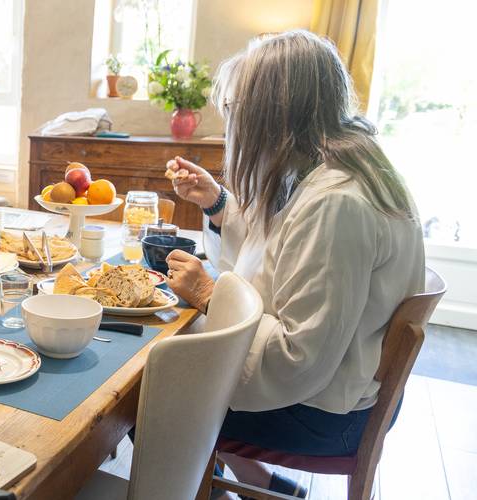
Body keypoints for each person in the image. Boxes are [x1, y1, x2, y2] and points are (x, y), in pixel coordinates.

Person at [164, 30, 424, 496]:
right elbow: (287, 246)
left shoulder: (339, 202)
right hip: (343, 387)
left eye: (237, 112)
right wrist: (219, 202)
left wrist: (208, 294)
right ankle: (261, 487)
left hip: (328, 414)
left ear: (273, 114)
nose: (234, 126)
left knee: (150, 399)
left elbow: (297, 358)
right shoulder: (345, 167)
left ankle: (207, 489)